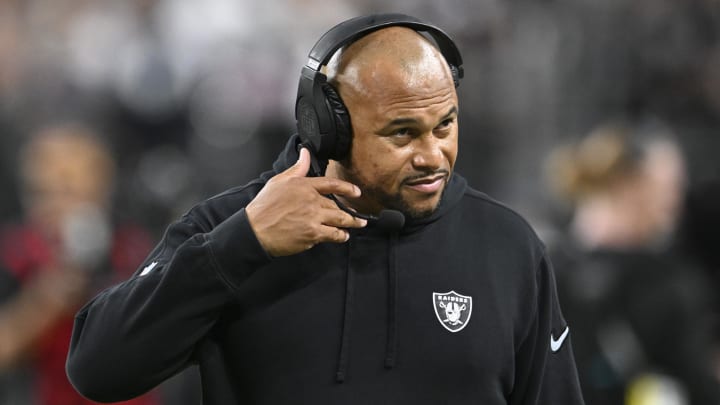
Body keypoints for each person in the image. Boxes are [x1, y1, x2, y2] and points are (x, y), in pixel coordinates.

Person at [66, 14, 585, 404]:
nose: (433, 156)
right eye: (401, 133)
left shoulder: (507, 245)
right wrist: (241, 245)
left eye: (444, 126)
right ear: (326, 129)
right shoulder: (231, 230)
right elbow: (98, 370)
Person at [544, 121, 720, 405]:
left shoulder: (547, 266)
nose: (676, 201)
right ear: (628, 185)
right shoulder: (547, 270)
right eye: (668, 187)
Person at [0, 124, 158, 405]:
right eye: (42, 192)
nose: (55, 206)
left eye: (69, 191)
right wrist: (46, 298)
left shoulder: (131, 248)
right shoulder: (16, 253)